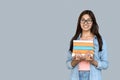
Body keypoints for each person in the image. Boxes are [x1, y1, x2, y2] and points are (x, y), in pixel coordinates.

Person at [66, 10, 109, 80]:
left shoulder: (99, 41)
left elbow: (105, 64)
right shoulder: (74, 40)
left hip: (94, 76)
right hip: (76, 76)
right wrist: (76, 61)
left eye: (89, 20)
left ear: (93, 23)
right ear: (79, 22)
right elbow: (68, 64)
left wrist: (93, 61)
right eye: (83, 20)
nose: (85, 23)